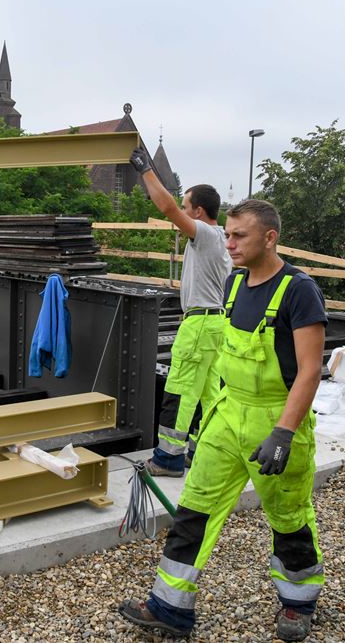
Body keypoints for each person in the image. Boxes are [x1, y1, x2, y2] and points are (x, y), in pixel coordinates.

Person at [119, 199, 328, 642]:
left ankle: (298, 601)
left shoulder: (298, 291)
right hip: (227, 416)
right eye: (228, 235)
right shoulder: (234, 286)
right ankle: (169, 607)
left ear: (269, 238)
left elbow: (310, 370)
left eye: (239, 236)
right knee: (195, 507)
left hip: (274, 421)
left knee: (288, 515)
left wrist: (284, 432)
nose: (228, 243)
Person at [129, 147, 232, 477]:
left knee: (180, 390)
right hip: (216, 325)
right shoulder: (221, 239)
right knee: (208, 394)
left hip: (200, 325)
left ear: (199, 212)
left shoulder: (204, 235)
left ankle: (168, 458)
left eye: (188, 209)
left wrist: (146, 170)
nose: (183, 215)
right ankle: (201, 452)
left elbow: (167, 207)